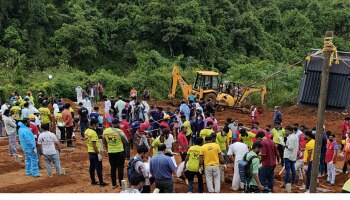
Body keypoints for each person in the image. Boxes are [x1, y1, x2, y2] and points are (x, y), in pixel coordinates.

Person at [103, 119, 128, 189]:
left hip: (111, 152)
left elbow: (104, 140)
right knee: (120, 168)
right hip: (120, 151)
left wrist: (107, 147)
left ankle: (114, 184)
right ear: (117, 124)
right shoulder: (120, 131)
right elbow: (126, 141)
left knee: (113, 168)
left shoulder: (106, 131)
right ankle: (121, 184)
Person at [85, 119, 107, 186]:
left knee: (92, 167)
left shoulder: (86, 131)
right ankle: (101, 182)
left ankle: (93, 181)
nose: (97, 125)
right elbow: (94, 145)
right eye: (97, 124)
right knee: (98, 167)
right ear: (94, 124)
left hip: (90, 151)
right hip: (95, 152)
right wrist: (98, 153)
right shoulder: (93, 133)